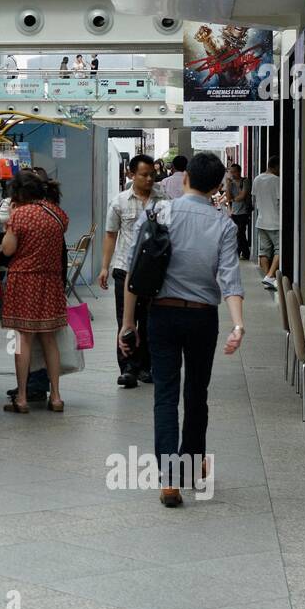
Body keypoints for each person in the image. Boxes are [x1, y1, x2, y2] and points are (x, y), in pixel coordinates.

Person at [119, 152, 245, 508]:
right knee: (196, 394)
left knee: (165, 395)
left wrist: (128, 324)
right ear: (219, 185)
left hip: (162, 315)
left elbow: (135, 272)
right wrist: (238, 324)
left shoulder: (159, 213)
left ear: (185, 177)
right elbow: (230, 280)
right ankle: (191, 466)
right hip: (203, 318)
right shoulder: (224, 225)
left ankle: (170, 479)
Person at [1, 170, 69, 414]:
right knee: (50, 340)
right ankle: (57, 397)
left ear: (18, 194)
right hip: (51, 281)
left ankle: (21, 397)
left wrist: (11, 219)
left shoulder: (20, 215)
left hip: (25, 281)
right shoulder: (57, 214)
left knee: (24, 340)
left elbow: (7, 250)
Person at [100, 154, 166, 389]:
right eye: (144, 174)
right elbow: (110, 235)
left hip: (153, 272)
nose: (149, 179)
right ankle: (128, 367)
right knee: (125, 320)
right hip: (125, 269)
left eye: (152, 174)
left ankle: (145, 367)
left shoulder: (163, 199)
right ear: (131, 174)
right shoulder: (119, 201)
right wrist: (105, 267)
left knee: (149, 320)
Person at [252, 155, 282, 290]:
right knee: (279, 250)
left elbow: (254, 199)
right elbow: (280, 200)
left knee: (263, 252)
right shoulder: (276, 180)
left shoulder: (257, 179)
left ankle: (268, 277)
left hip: (261, 220)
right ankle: (270, 276)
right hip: (275, 222)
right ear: (276, 166)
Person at [225, 163, 251, 259]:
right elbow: (228, 197)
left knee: (240, 232)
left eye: (234, 172)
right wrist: (228, 185)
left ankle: (239, 253)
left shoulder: (245, 181)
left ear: (239, 172)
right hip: (234, 212)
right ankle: (245, 253)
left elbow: (243, 195)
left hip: (244, 212)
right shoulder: (230, 183)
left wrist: (233, 199)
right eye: (231, 172)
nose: (232, 174)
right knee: (238, 233)